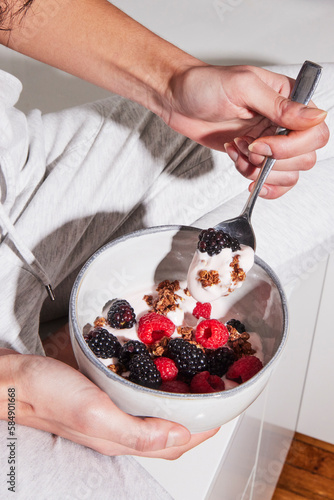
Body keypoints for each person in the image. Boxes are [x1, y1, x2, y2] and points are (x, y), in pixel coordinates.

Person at [0, 0, 331, 498]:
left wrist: (173, 85)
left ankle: (66, 338)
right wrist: (14, 392)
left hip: (20, 184)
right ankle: (58, 348)